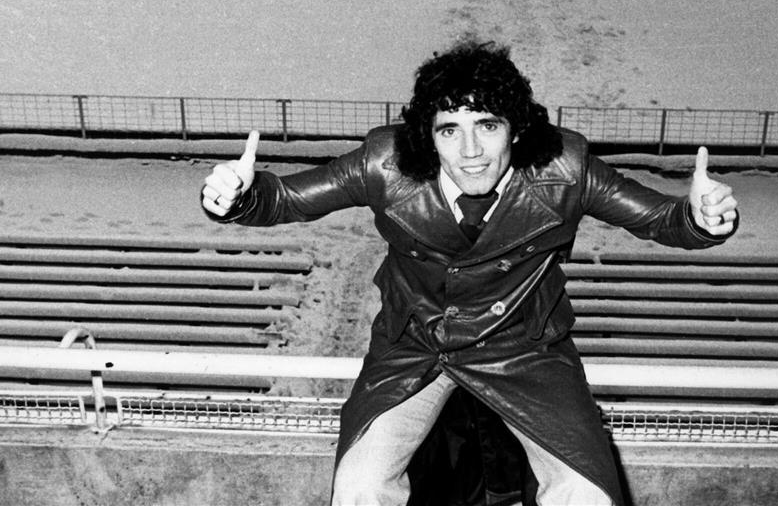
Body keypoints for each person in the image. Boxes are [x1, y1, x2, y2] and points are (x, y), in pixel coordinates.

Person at [201, 40, 738, 506]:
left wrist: (703, 215)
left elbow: (663, 220)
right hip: (414, 345)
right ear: (426, 137)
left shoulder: (565, 169)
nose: (471, 152)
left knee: (586, 493)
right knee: (360, 483)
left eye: (487, 126)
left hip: (525, 350)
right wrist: (236, 196)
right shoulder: (383, 164)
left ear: (517, 129)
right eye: (449, 130)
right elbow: (286, 199)